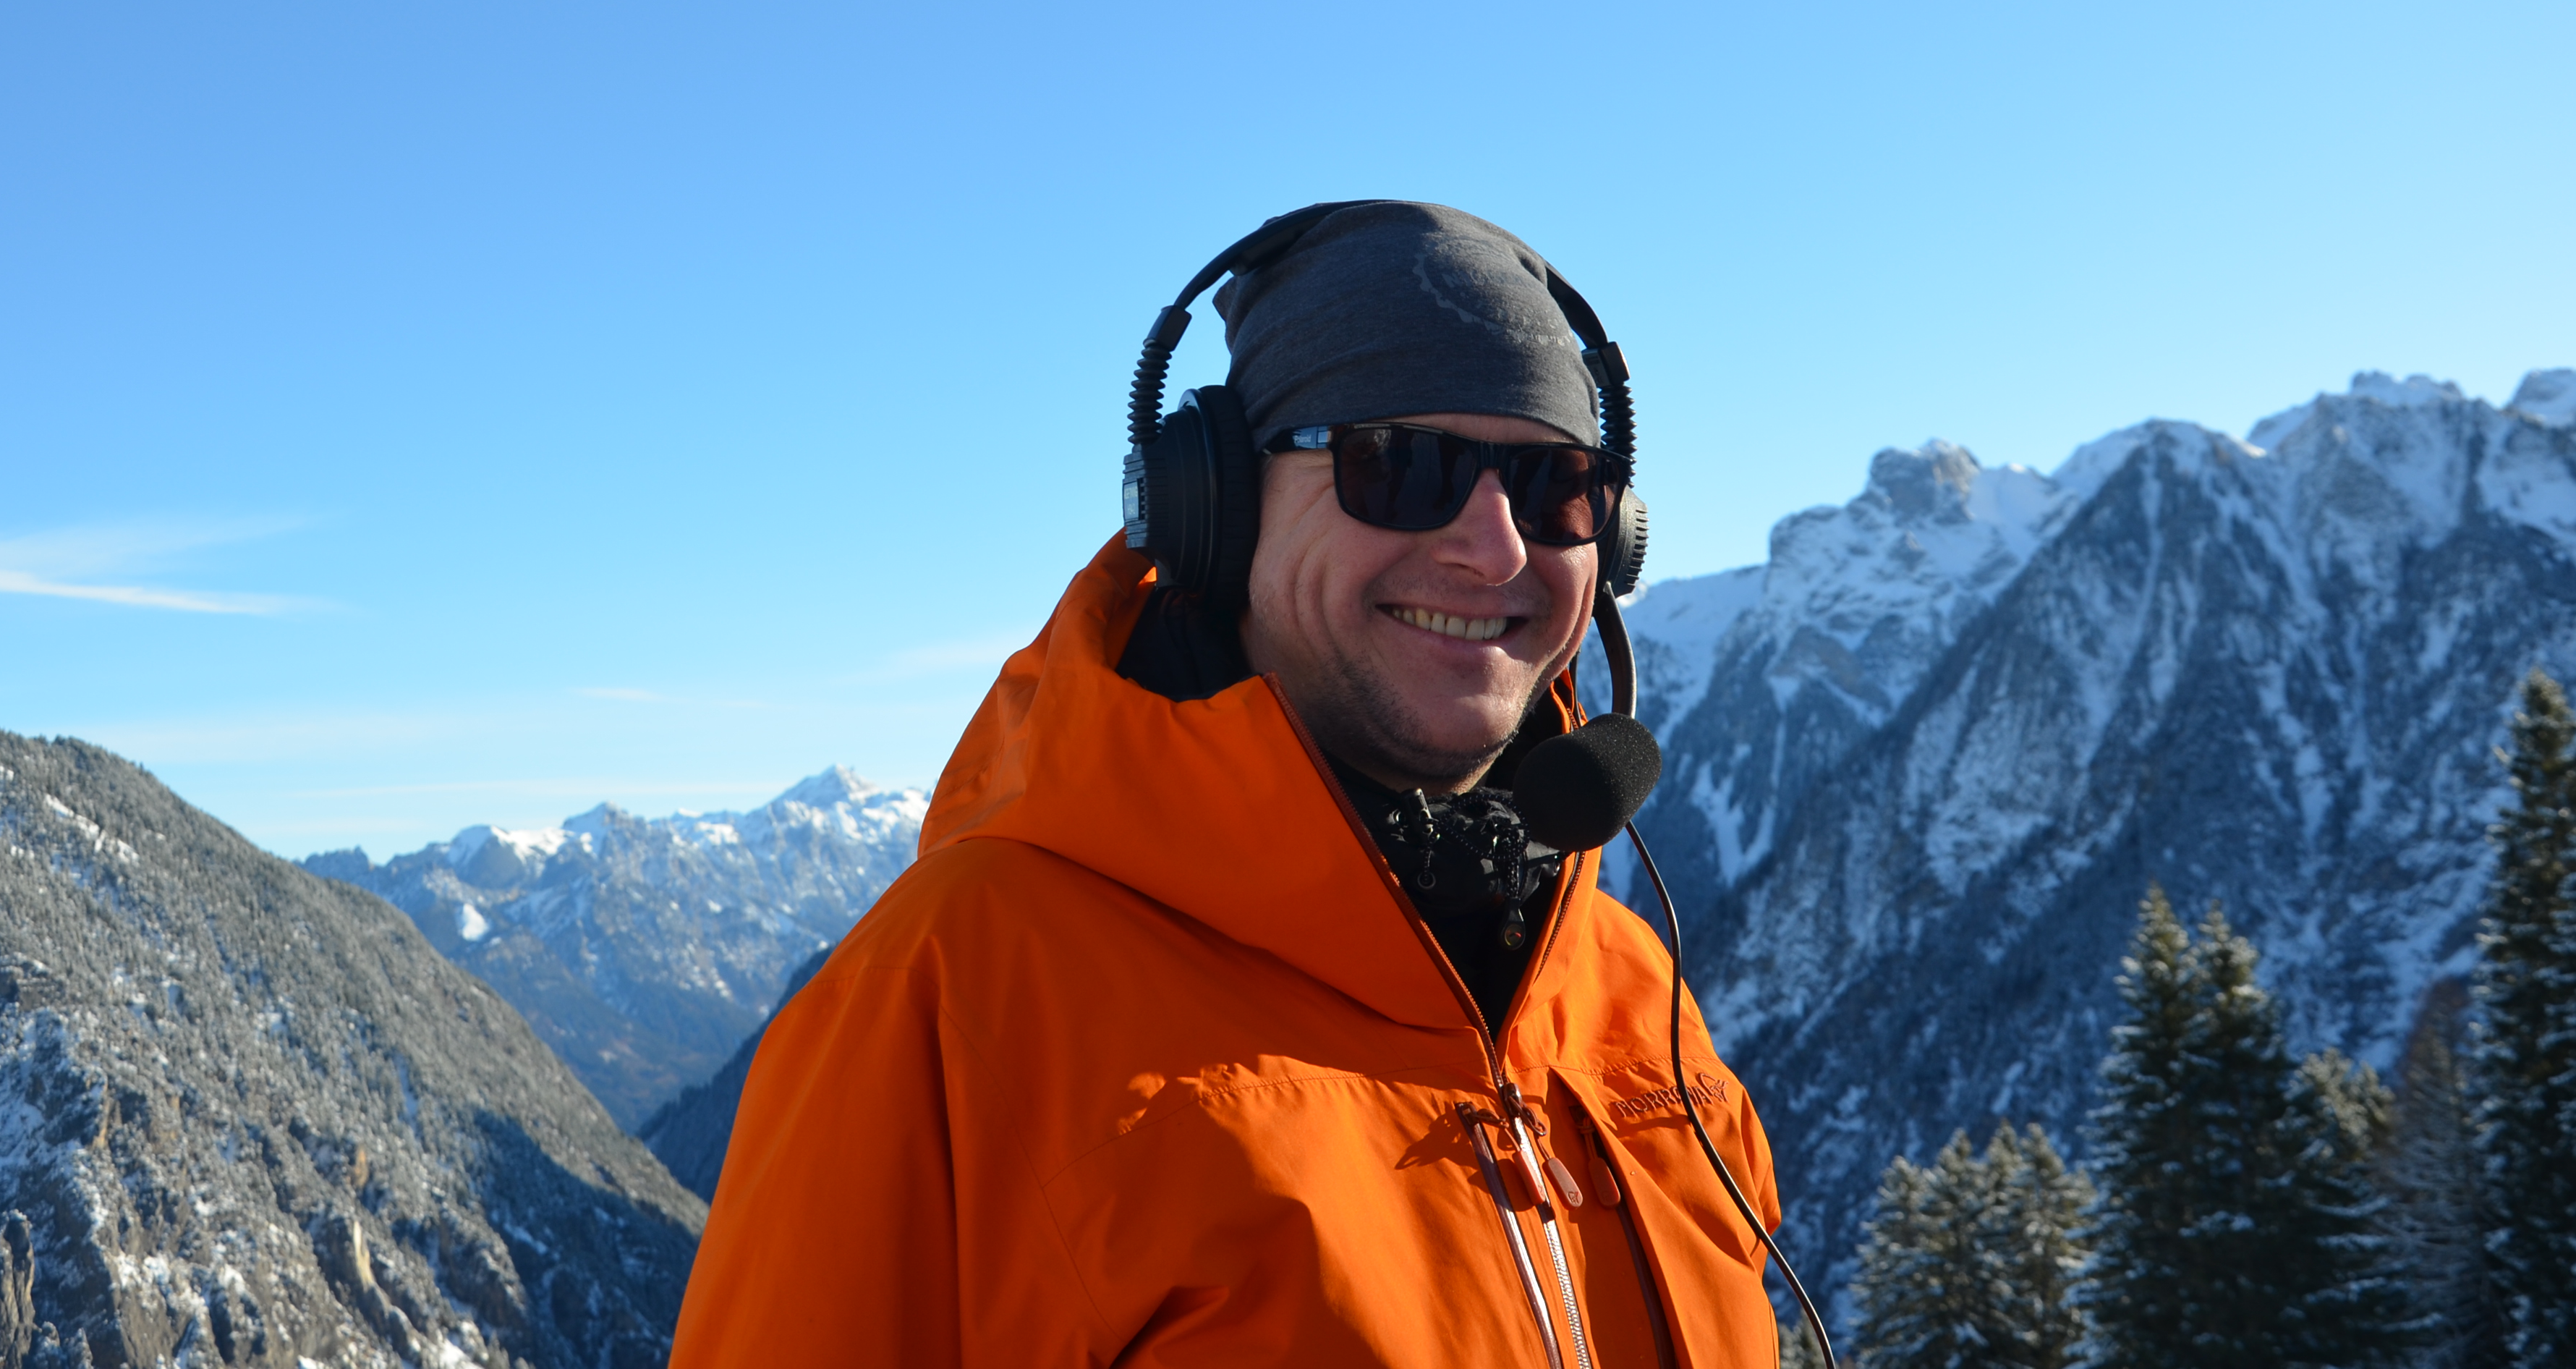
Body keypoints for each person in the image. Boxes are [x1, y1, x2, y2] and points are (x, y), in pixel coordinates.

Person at [671, 203, 1785, 1367]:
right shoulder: (953, 997)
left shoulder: (1628, 988)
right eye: (1403, 467)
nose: (1497, 548)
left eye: (1557, 488)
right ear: (1217, 509)